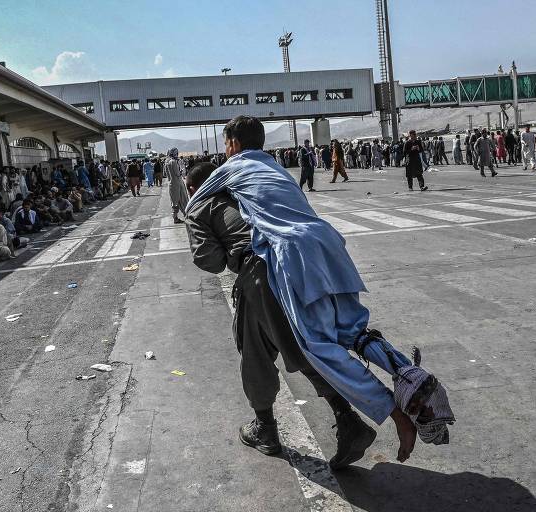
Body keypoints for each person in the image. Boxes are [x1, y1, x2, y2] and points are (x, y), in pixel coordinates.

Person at [186, 116, 455, 464]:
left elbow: (209, 259)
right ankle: (401, 379)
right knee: (351, 333)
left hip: (276, 265)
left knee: (306, 347)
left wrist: (200, 216)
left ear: (233, 146)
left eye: (226, 146)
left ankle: (390, 414)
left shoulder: (218, 183)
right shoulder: (271, 171)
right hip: (327, 248)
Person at [184, 161, 377, 468]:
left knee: (266, 351)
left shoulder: (199, 204)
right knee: (300, 342)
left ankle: (277, 428)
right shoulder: (245, 188)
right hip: (297, 263)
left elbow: (211, 261)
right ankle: (342, 418)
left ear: (192, 188)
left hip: (260, 274)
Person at [165, 148, 189, 224]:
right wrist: (181, 171)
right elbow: (177, 173)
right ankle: (186, 215)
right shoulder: (174, 162)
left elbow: (167, 175)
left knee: (174, 201)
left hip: (171, 184)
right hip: (178, 183)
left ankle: (175, 218)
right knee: (183, 199)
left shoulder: (167, 162)